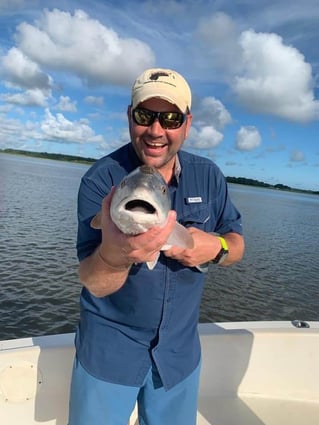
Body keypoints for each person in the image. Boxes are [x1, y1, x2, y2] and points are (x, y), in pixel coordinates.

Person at [68, 68, 245, 425]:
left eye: (170, 118)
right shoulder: (100, 179)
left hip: (178, 357)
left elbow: (238, 245)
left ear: (187, 123)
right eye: (145, 115)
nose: (156, 130)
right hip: (108, 353)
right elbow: (92, 279)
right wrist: (116, 257)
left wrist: (217, 247)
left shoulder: (209, 176)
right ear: (130, 116)